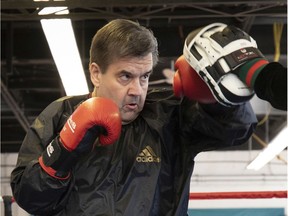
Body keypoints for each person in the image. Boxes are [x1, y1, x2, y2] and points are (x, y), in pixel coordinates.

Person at [10, 19, 257, 216]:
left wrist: (219, 95)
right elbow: (31, 198)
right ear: (96, 73)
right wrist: (64, 150)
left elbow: (235, 130)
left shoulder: (170, 115)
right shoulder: (61, 115)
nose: (137, 90)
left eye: (145, 77)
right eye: (125, 76)